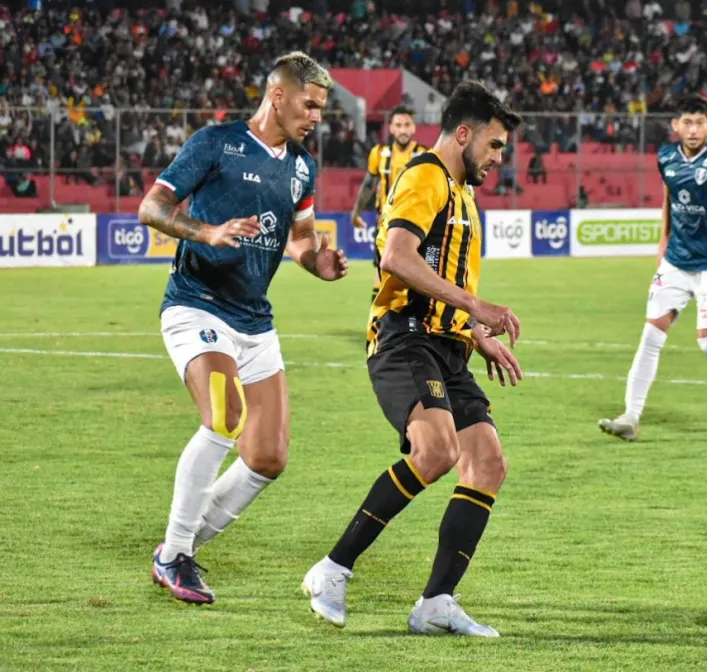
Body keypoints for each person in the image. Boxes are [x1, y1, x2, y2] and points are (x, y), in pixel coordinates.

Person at [302, 81, 523, 637]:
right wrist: (476, 305)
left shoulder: (463, 192)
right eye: (494, 146)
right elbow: (397, 257)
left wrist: (474, 332)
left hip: (447, 345)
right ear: (465, 134)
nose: (498, 159)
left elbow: (441, 277)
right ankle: (332, 569)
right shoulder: (425, 175)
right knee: (437, 451)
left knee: (488, 462)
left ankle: (436, 602)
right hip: (404, 339)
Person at [138, 52, 349, 605]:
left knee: (268, 457)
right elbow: (152, 208)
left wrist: (315, 262)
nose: (317, 116)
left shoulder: (302, 165)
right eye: (311, 104)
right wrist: (205, 232)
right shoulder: (216, 142)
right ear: (278, 95)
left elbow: (301, 236)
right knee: (224, 413)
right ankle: (175, 553)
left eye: (323, 108)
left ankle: (178, 544)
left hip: (254, 319)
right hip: (196, 303)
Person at [598, 94, 707, 441]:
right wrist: (663, 238)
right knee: (650, 337)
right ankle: (631, 417)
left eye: (700, 123)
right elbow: (669, 194)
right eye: (687, 123)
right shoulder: (665, 157)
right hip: (676, 262)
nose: (693, 129)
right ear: (675, 126)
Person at [352, 105, 430, 303]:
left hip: (416, 228)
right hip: (385, 227)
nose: (403, 130)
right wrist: (356, 212)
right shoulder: (378, 154)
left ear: (414, 128)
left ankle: (411, 328)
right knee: (381, 277)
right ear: (391, 128)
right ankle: (377, 328)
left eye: (407, 125)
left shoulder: (424, 155)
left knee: (414, 279)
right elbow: (369, 184)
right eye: (398, 125)